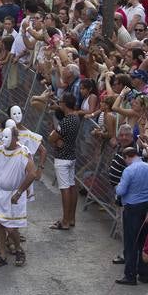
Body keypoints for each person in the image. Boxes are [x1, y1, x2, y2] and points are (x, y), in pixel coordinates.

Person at [0, 123, 37, 267]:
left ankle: (18, 250)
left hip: (14, 195)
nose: (4, 139)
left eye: (7, 137)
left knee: (11, 227)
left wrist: (19, 192)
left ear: (15, 138)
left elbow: (32, 174)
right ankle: (3, 254)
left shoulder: (23, 153)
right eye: (3, 136)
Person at [115, 146, 148, 285]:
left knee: (130, 242)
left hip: (132, 208)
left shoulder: (129, 170)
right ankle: (144, 273)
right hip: (146, 207)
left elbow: (121, 190)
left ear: (127, 157)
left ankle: (130, 275)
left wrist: (117, 188)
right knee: (144, 241)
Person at [49, 94, 82, 230]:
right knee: (71, 186)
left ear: (64, 104)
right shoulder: (76, 118)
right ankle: (71, 218)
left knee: (65, 189)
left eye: (60, 102)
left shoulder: (66, 121)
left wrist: (55, 138)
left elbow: (51, 138)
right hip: (71, 156)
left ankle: (65, 221)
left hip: (62, 158)